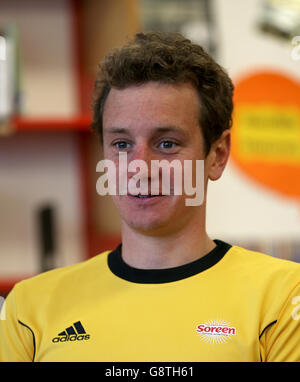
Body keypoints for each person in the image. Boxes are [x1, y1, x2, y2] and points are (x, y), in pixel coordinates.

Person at [0, 31, 299, 362]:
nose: (139, 168)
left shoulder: (284, 296)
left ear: (217, 155)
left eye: (166, 144)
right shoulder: (29, 306)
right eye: (122, 144)